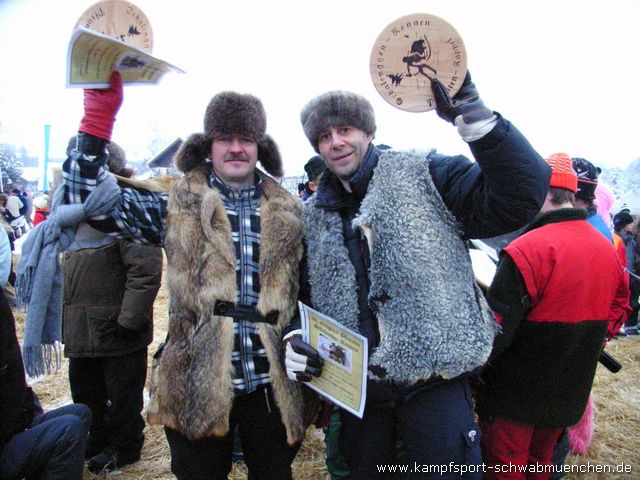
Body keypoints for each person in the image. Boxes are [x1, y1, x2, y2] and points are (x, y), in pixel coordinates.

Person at [285, 71, 551, 478]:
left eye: (345, 129)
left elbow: (519, 197)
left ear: (368, 132)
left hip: (435, 383)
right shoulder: (314, 215)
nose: (335, 142)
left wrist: (475, 119)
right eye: (323, 137)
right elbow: (302, 294)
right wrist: (295, 337)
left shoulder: (427, 174)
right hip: (361, 394)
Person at [62, 72, 319, 479]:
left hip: (273, 386)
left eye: (246, 139)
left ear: (259, 147)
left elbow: (308, 291)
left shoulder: (290, 210)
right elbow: (88, 202)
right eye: (225, 138)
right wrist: (97, 121)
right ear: (208, 146)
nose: (236, 148)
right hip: (194, 379)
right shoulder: (175, 203)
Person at [477, 153, 631, 480]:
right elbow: (621, 304)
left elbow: (495, 332)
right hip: (567, 394)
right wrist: (594, 339)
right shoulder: (608, 247)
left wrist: (476, 375)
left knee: (505, 469)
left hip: (515, 396)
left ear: (544, 192)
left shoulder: (526, 249)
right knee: (542, 466)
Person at [61, 136, 164, 473]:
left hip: (115, 328)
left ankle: (125, 446)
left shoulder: (126, 205)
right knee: (85, 390)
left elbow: (145, 269)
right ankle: (99, 437)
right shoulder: (74, 209)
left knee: (122, 397)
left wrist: (127, 322)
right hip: (82, 327)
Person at [0, 288, 92, 480]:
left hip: (12, 424)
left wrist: (26, 415)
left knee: (81, 413)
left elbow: (12, 378)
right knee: (68, 430)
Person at [613, 209, 639, 335]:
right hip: (624, 275)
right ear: (624, 226)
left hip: (632, 275)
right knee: (623, 302)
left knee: (633, 302)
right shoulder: (617, 240)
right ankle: (619, 326)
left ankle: (630, 325)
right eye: (630, 223)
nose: (633, 224)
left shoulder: (631, 240)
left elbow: (634, 258)